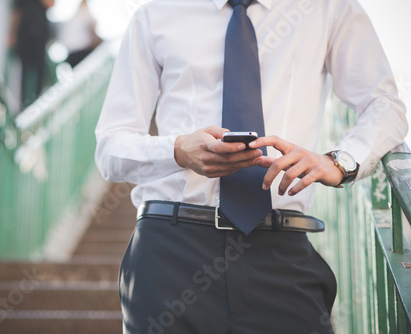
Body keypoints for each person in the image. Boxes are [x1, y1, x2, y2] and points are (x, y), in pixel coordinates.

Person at [95, 0, 408, 333]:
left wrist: (339, 161)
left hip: (281, 251)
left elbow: (384, 104)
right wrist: (177, 149)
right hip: (170, 251)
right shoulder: (154, 13)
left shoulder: (326, 8)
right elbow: (110, 147)